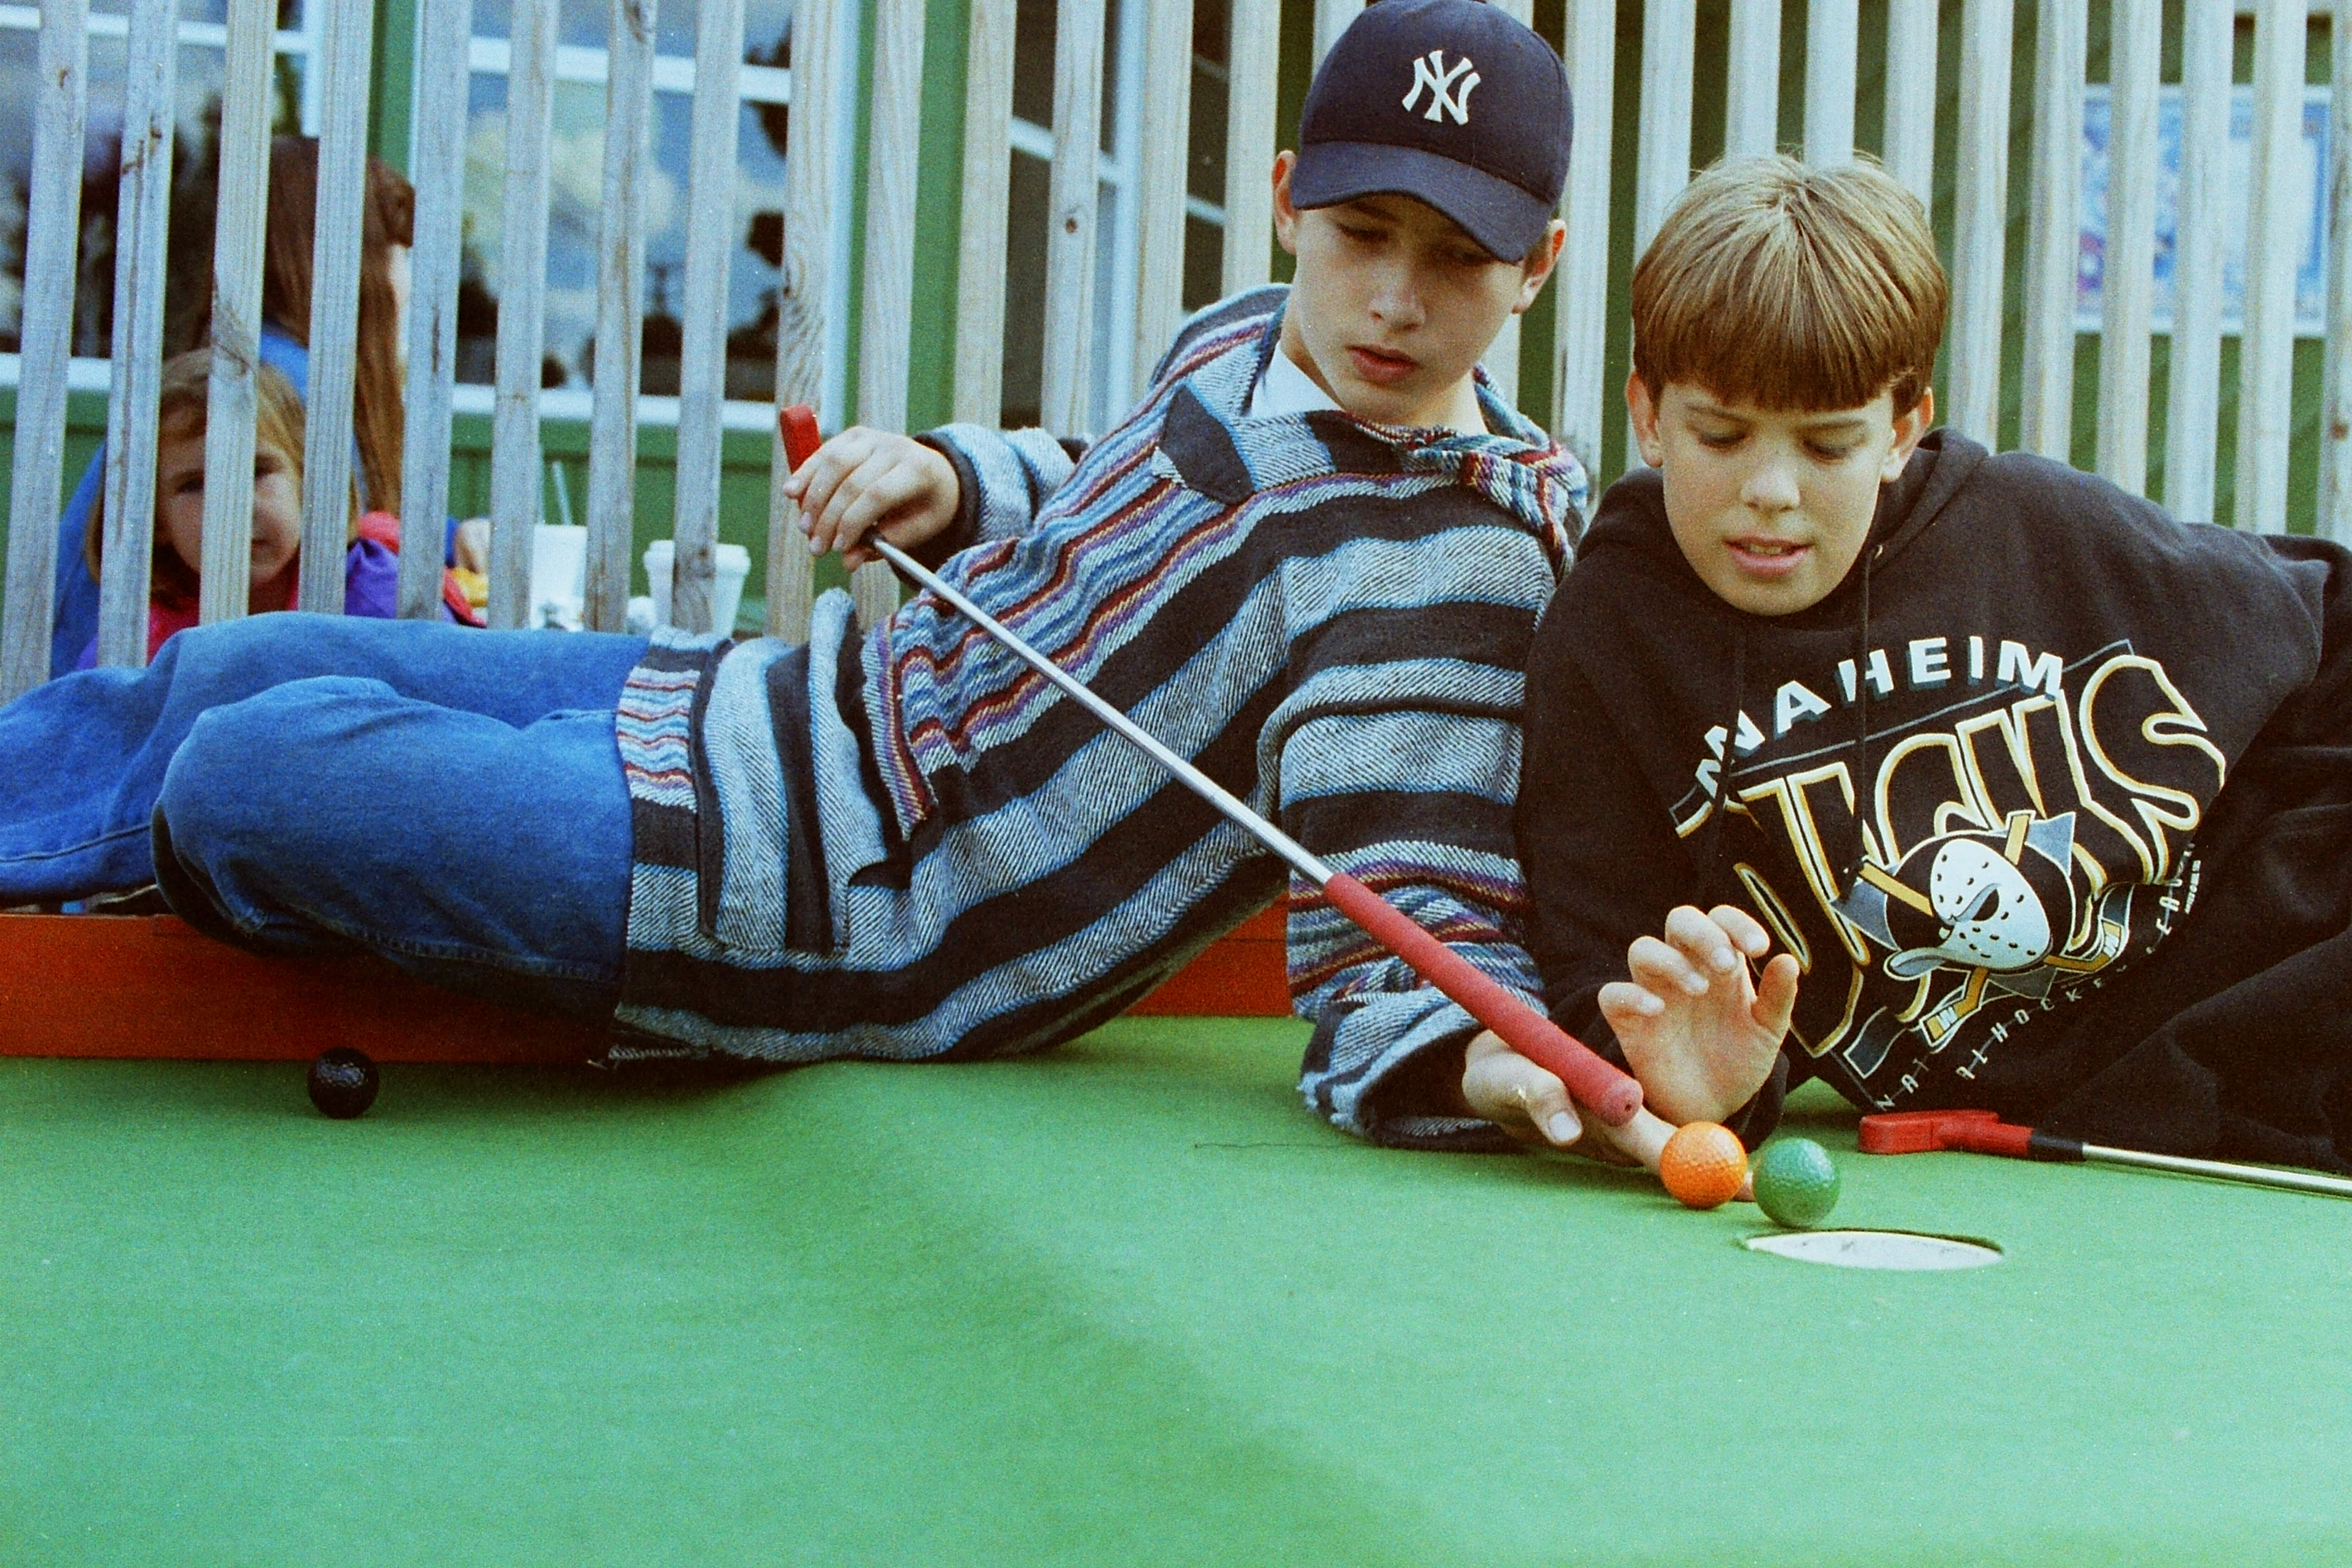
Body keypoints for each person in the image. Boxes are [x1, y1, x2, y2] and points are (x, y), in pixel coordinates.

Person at [0, 0, 1600, 1148]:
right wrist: (956, 479)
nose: (1394, 301)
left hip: (849, 905)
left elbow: (1415, 886)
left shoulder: (1454, 572)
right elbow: (1116, 490)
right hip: (779, 705)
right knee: (245, 659)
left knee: (249, 770)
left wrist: (1483, 1059)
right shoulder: (1251, 340)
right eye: (1361, 231)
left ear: (1538, 265)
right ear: (1285, 199)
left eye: (1457, 257)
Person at [1492, 155, 2352, 1173]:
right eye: (1720, 435)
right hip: (2125, 1111)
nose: (1771, 490)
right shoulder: (1606, 648)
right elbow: (1604, 988)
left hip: (2292, 962)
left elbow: (2325, 614)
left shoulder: (2030, 526)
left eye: (1827, 447)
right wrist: (1700, 1091)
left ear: (1900, 430)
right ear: (1647, 415)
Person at [49, 137, 478, 676]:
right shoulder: (284, 386)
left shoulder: (238, 364)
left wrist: (450, 534)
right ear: (351, 261)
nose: (407, 284)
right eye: (398, 255)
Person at [71, 349, 409, 668]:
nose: (233, 506)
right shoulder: (143, 636)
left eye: (257, 471)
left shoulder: (378, 599)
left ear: (308, 480)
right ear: (156, 521)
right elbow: (90, 706)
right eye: (194, 484)